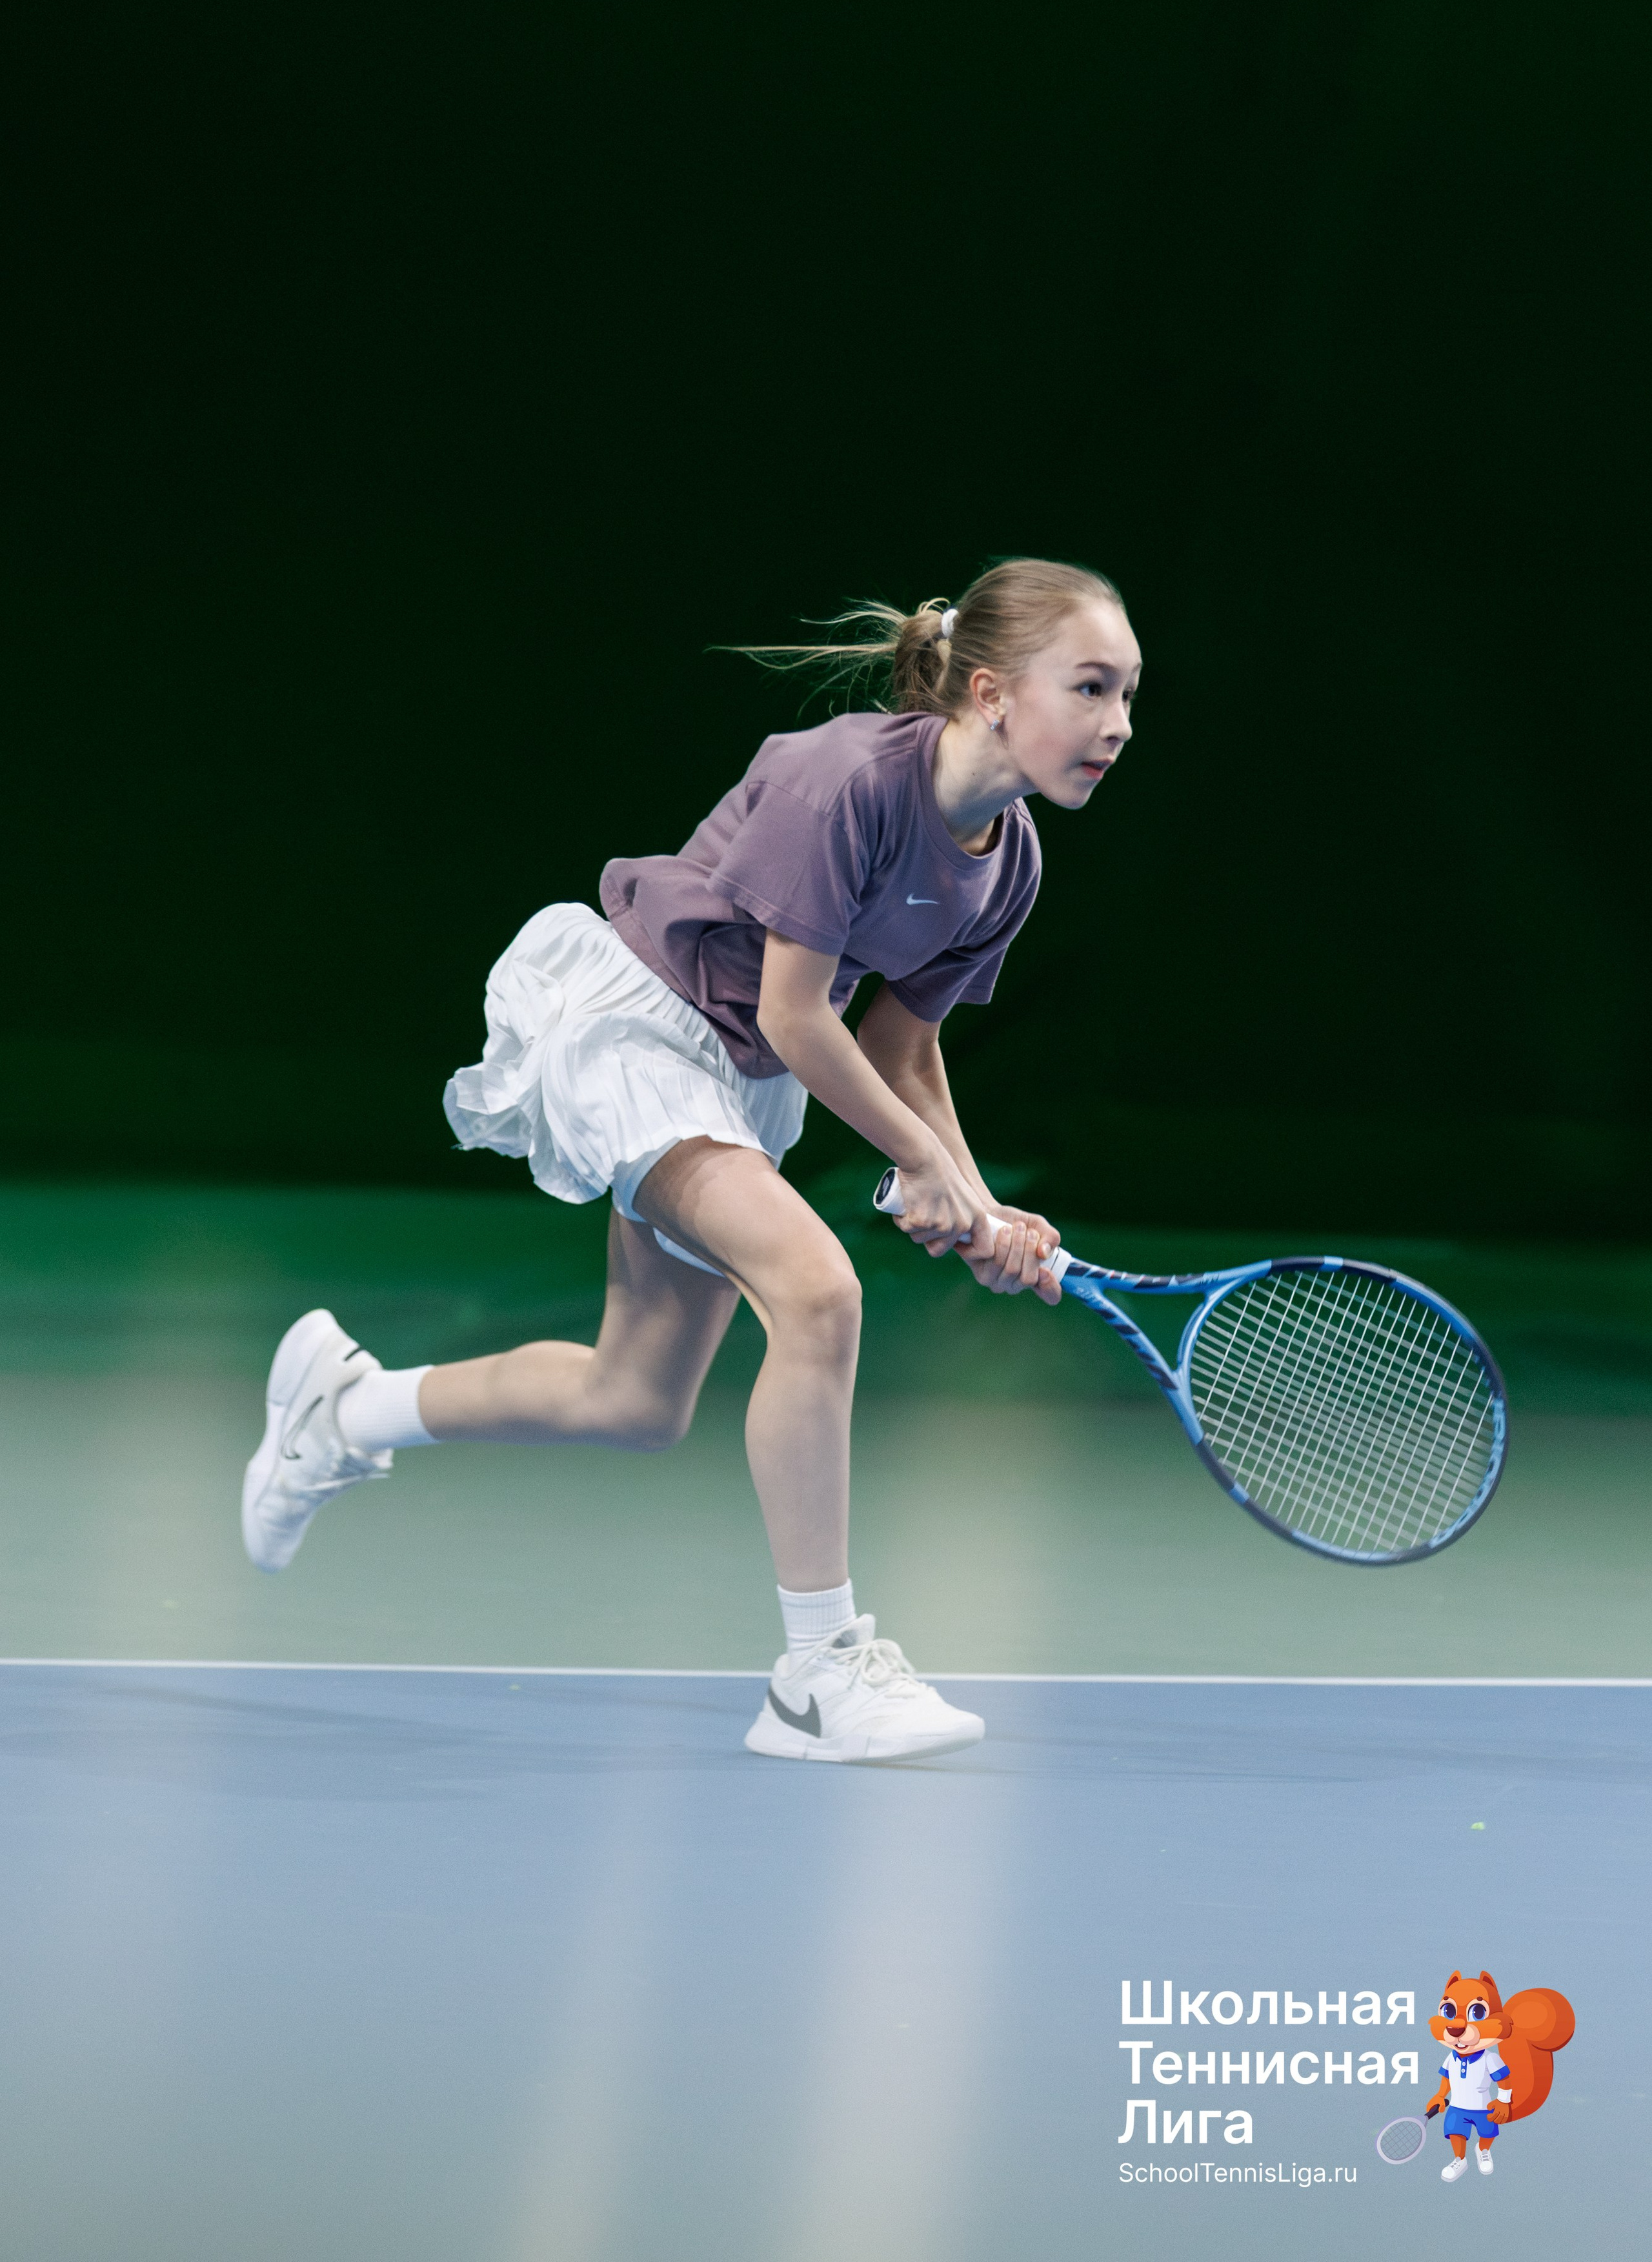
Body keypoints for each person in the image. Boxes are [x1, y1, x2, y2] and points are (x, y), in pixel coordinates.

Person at [241, 556, 1142, 1762]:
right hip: (640, 1032)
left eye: (1130, 696)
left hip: (743, 1086)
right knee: (820, 1293)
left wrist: (979, 1207)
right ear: (989, 691)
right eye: (1090, 689)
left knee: (636, 1400)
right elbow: (795, 1013)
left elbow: (905, 1049)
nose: (1118, 725)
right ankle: (817, 1674)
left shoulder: (1008, 859)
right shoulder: (846, 784)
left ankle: (346, 1411)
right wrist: (929, 1171)